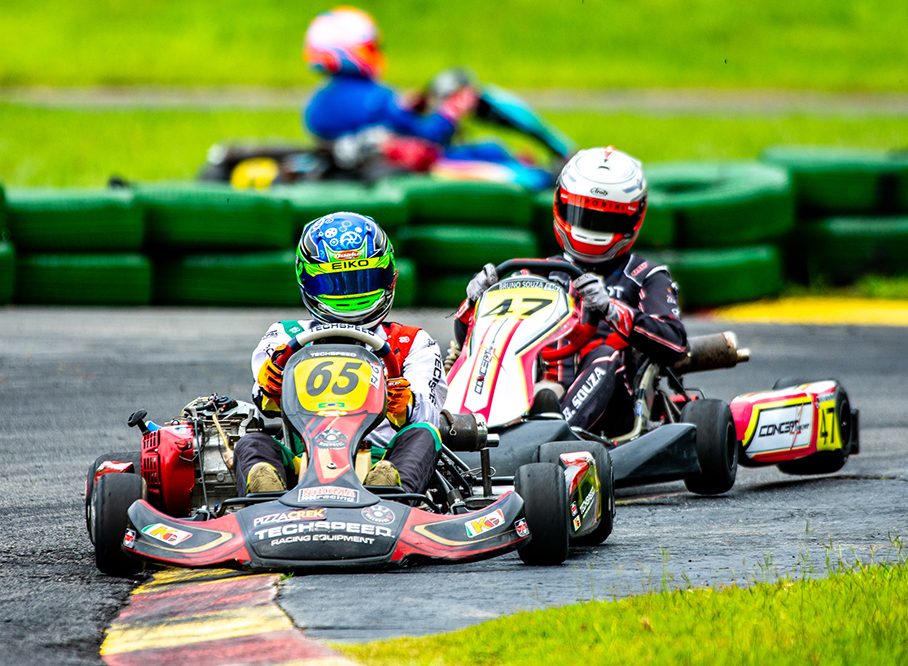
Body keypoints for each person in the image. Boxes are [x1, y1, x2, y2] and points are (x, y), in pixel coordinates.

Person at [452, 146, 687, 437]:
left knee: (605, 353)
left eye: (605, 220)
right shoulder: (536, 273)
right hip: (532, 391)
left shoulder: (645, 276)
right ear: (562, 205)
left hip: (614, 407)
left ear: (631, 219)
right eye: (580, 213)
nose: (590, 228)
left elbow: (675, 344)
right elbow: (477, 345)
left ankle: (556, 433)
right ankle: (463, 427)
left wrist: (612, 310)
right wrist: (473, 303)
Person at [233, 212, 447, 494]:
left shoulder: (412, 342)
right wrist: (270, 387)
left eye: (363, 280)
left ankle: (391, 493)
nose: (350, 295)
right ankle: (265, 497)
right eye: (335, 283)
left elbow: (428, 413)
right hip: (304, 459)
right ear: (307, 281)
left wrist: (405, 402)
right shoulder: (286, 336)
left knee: (425, 434)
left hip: (384, 457)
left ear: (388, 275)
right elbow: (265, 401)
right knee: (251, 443)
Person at [302, 7, 478, 163]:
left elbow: (386, 123)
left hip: (355, 171)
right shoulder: (378, 99)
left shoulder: (317, 104)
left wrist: (408, 109)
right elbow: (427, 138)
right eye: (371, 48)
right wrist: (450, 112)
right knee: (491, 151)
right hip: (398, 174)